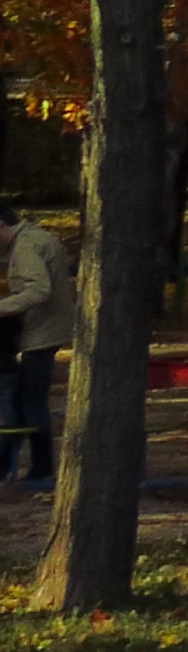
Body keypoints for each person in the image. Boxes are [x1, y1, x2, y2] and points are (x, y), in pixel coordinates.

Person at [0, 200, 70, 488]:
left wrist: (3, 307)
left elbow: (39, 289)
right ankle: (8, 466)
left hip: (42, 334)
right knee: (21, 402)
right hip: (43, 331)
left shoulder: (27, 246)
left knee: (31, 402)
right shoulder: (33, 238)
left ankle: (41, 469)